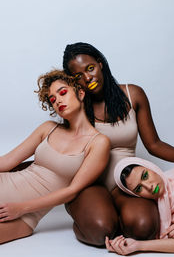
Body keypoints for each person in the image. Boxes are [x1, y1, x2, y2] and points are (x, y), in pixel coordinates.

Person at [62, 42, 174, 246]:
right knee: (101, 233)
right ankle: (85, 221)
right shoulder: (76, 108)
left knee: (144, 228)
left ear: (100, 64)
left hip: (127, 184)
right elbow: (62, 152)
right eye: (78, 76)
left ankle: (114, 214)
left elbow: (153, 144)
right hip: (91, 184)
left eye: (90, 68)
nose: (87, 78)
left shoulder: (133, 94)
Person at [0, 70, 110, 244]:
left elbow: (71, 191)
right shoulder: (48, 128)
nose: (58, 100)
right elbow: (6, 161)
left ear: (80, 94)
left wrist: (21, 209)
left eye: (63, 92)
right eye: (52, 99)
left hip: (24, 216)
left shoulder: (99, 143)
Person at [105, 157, 174, 255]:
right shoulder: (159, 211)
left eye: (145, 176)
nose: (149, 187)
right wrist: (138, 245)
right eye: (139, 188)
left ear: (151, 167)